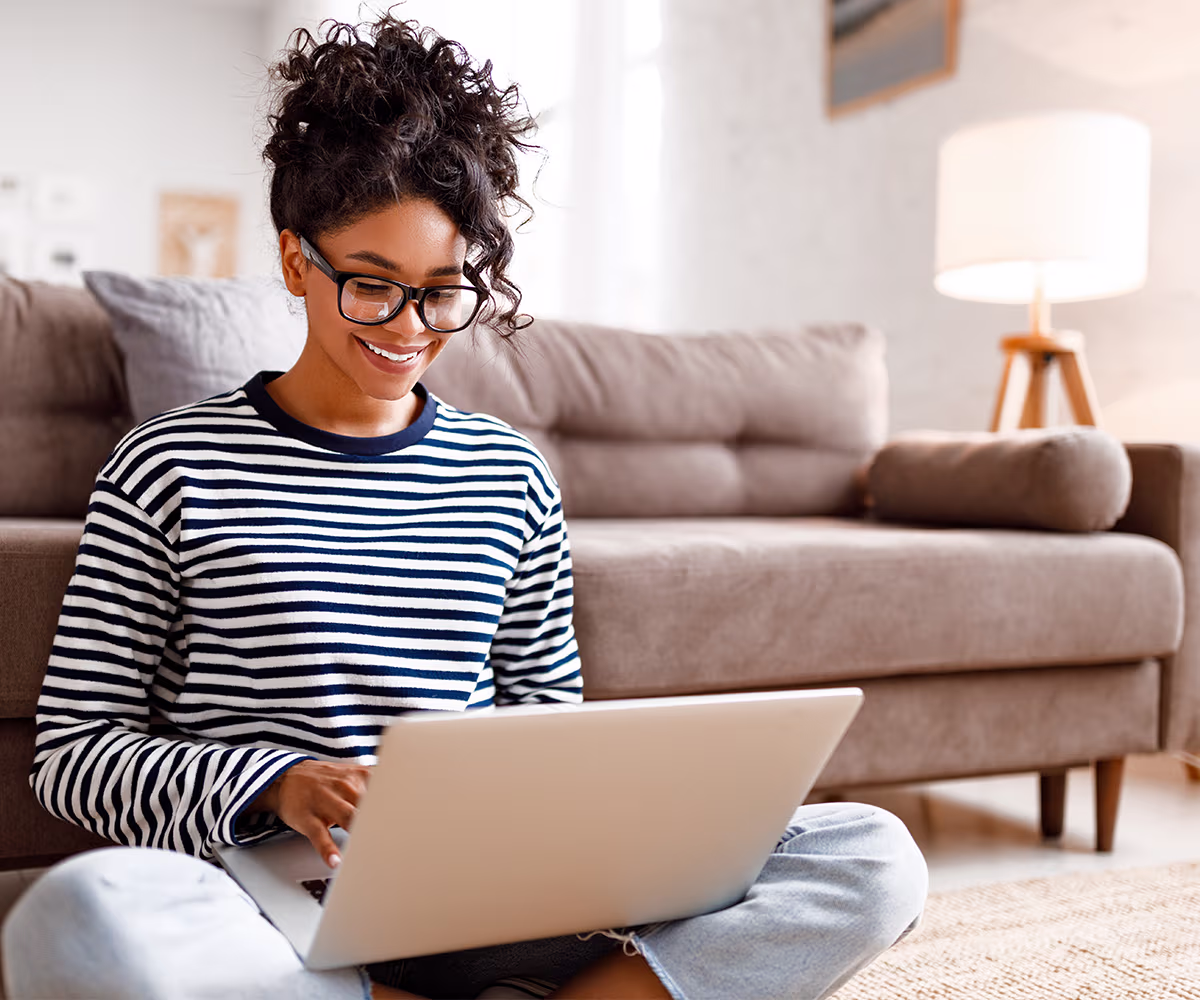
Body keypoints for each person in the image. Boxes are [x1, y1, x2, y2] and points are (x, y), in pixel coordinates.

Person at [0, 13, 927, 1000]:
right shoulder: (166, 466)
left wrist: (583, 834)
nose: (408, 329)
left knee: (872, 855)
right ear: (294, 262)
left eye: (444, 293)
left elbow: (548, 722)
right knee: (83, 915)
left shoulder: (509, 475)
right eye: (372, 286)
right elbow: (76, 754)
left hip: (491, 894)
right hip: (267, 900)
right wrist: (272, 781)